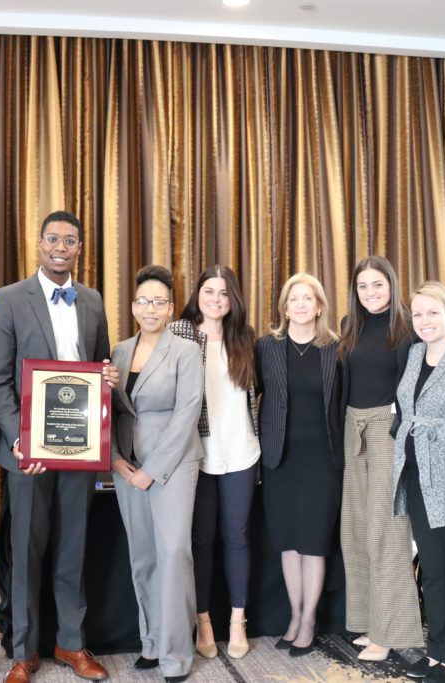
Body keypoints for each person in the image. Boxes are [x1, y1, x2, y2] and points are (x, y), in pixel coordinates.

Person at [0, 210, 117, 683]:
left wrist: (108, 376)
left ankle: (70, 642)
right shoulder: (8, 299)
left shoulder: (93, 300)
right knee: (25, 550)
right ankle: (23, 651)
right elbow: (0, 380)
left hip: (80, 449)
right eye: (53, 239)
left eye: (71, 241)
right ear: (39, 243)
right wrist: (20, 439)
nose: (61, 247)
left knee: (73, 547)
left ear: (79, 248)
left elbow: (99, 367)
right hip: (28, 454)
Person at [111, 265, 204, 683]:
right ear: (133, 307)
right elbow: (106, 413)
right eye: (143, 301)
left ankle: (176, 654)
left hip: (172, 465)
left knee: (172, 555)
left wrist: (152, 471)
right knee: (143, 556)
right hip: (126, 465)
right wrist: (113, 458)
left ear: (170, 308)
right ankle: (151, 642)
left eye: (159, 301)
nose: (150, 308)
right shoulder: (118, 352)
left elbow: (187, 415)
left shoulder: (185, 350)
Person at [171, 264, 260, 660]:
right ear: (198, 293)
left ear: (233, 299)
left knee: (237, 536)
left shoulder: (246, 339)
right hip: (199, 452)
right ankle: (203, 622)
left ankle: (237, 622)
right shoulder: (180, 332)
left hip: (241, 450)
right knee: (201, 539)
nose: (216, 299)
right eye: (209, 291)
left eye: (224, 293)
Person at [338, 255, 423, 661]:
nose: (370, 293)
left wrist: (399, 438)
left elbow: (412, 394)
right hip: (352, 432)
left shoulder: (406, 328)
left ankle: (390, 632)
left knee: (386, 535)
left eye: (378, 284)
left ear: (392, 283)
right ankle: (370, 621)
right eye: (363, 286)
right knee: (355, 530)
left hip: (387, 434)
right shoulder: (349, 326)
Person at [256, 273, 344, 658]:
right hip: (280, 458)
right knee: (289, 545)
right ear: (284, 307)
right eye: (294, 299)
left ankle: (309, 620)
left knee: (314, 544)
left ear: (319, 306)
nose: (301, 305)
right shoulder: (267, 347)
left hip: (323, 461)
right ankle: (294, 615)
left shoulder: (335, 350)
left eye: (308, 298)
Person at [391, 282, 445, 682]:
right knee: (433, 568)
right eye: (417, 314)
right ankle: (436, 648)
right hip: (418, 475)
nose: (424, 321)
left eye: (432, 313)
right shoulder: (413, 353)